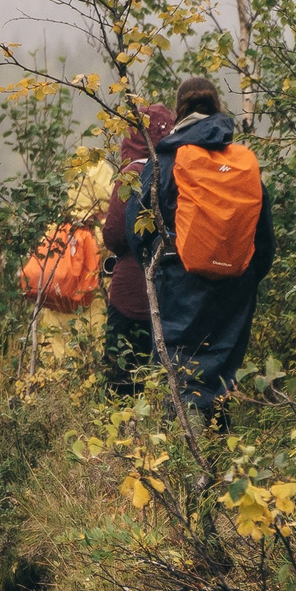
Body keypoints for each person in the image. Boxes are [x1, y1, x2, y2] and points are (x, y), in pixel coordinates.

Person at [117, 76, 275, 416]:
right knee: (220, 384)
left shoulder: (167, 162)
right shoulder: (243, 163)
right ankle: (221, 460)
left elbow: (137, 228)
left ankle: (183, 461)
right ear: (217, 107)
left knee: (180, 384)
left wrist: (159, 270)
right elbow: (264, 241)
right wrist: (240, 275)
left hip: (179, 289)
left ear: (179, 111)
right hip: (235, 291)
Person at [98, 100, 175, 396]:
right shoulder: (178, 169)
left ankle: (121, 440)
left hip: (130, 294)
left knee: (122, 382)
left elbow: (114, 234)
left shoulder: (131, 173)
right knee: (164, 382)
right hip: (170, 291)